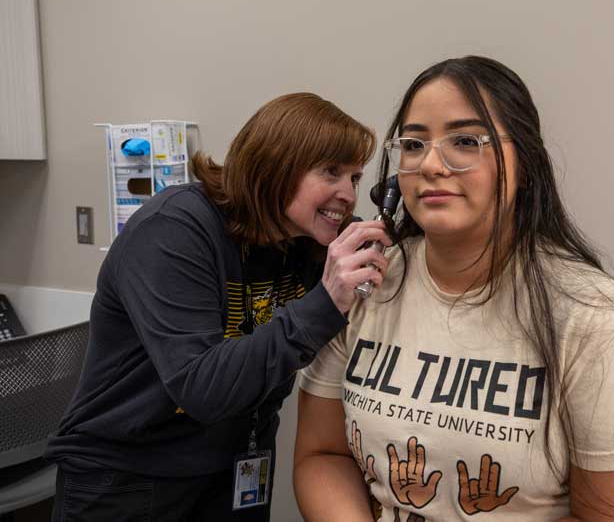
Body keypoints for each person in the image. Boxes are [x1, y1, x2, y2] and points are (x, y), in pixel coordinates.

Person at [294, 57, 614, 521]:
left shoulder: (587, 311)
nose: (430, 164)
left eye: (465, 141)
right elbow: (321, 456)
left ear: (523, 164)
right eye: (413, 144)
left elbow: (613, 517)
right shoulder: (366, 282)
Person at [45, 92, 391, 521]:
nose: (347, 194)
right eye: (331, 172)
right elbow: (201, 389)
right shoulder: (173, 230)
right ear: (275, 165)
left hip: (234, 467)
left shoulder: (309, 242)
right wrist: (326, 301)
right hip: (128, 476)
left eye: (355, 178)